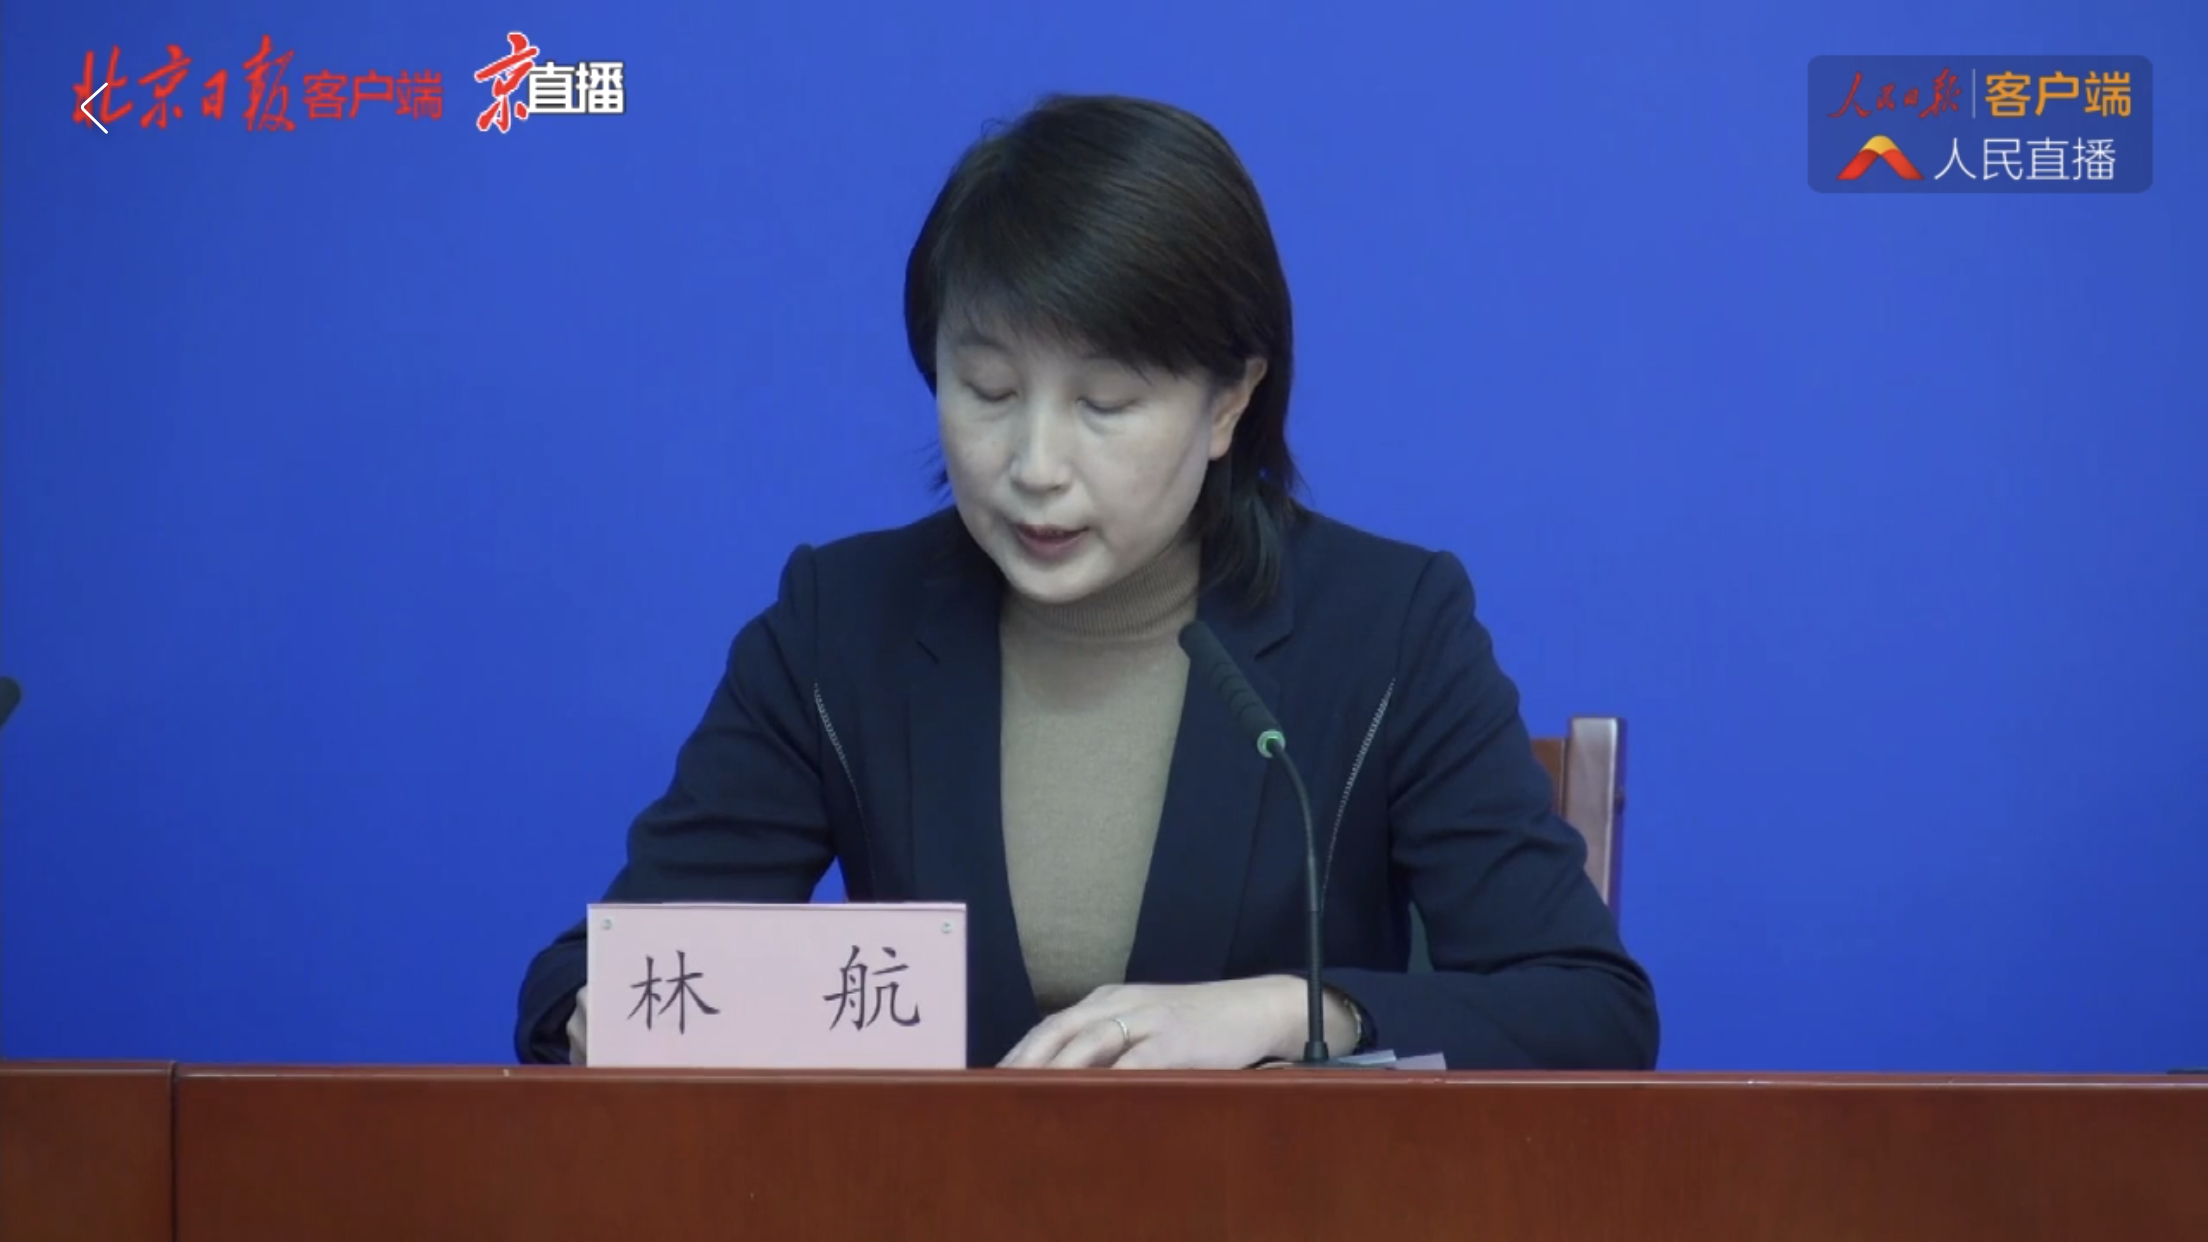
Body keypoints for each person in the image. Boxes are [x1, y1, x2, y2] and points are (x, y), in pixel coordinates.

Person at [514, 92, 1658, 1072]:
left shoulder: (1389, 629)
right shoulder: (840, 627)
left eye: (1104, 404)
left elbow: (1590, 1009)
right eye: (988, 391)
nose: (1034, 466)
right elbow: (587, 980)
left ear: (1228, 402)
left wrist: (1297, 1013)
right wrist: (612, 1016)